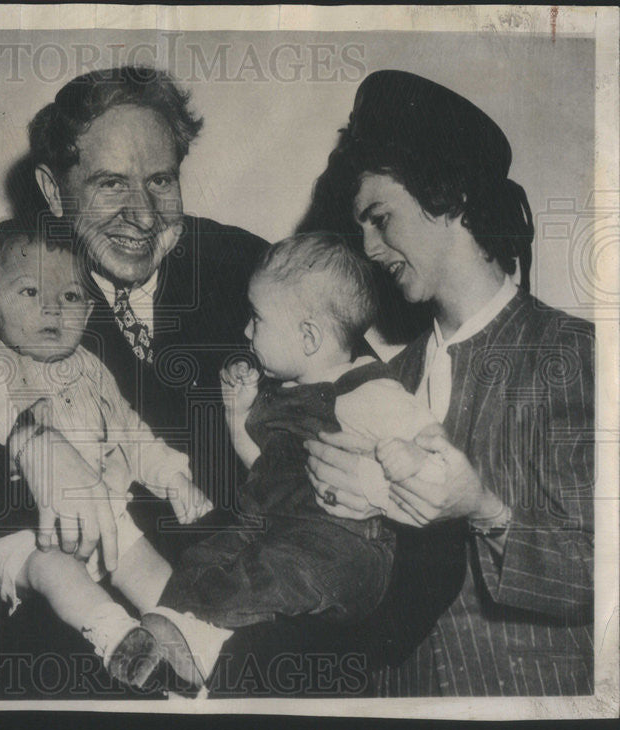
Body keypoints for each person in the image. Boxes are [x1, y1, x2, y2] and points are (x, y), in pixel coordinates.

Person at [303, 70, 595, 696]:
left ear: (450, 195)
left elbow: (602, 572)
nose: (369, 248)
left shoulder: (574, 353)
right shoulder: (380, 381)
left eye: (380, 218)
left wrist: (484, 512)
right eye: (360, 226)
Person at [0, 221, 211, 688]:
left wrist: (173, 477)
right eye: (30, 291)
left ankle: (197, 640)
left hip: (105, 516)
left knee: (151, 568)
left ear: (90, 309)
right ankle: (118, 639)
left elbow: (131, 431)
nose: (53, 307)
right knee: (56, 570)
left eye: (71, 296)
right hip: (23, 533)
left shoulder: (92, 368)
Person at [133, 233, 447, 688]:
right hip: (272, 523)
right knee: (202, 557)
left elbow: (437, 455)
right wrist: (237, 411)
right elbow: (261, 466)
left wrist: (408, 458)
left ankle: (205, 648)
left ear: (309, 337)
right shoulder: (285, 395)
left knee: (271, 574)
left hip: (340, 546)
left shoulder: (367, 391)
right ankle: (171, 628)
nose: (245, 331)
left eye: (257, 319)